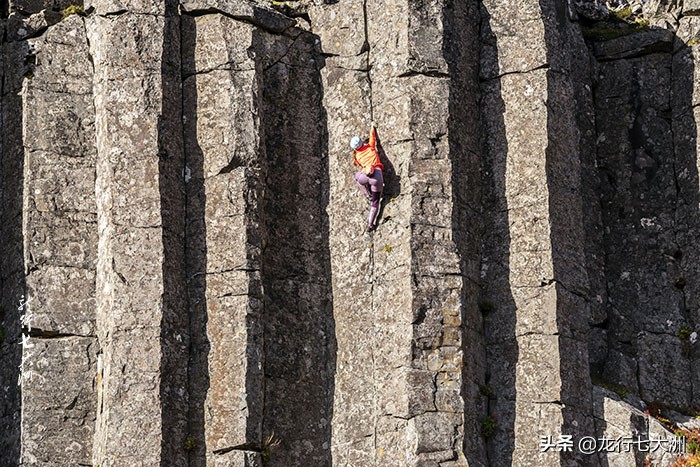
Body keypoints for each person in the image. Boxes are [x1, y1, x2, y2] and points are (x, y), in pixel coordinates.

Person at [350, 122, 384, 231]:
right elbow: (372, 136)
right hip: (377, 176)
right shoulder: (370, 147)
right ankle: (370, 224)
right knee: (375, 203)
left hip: (365, 176)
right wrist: (372, 126)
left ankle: (367, 194)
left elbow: (358, 164)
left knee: (357, 178)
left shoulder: (357, 156)